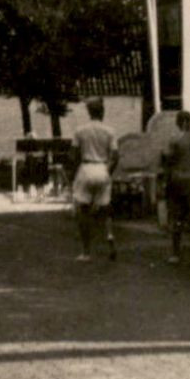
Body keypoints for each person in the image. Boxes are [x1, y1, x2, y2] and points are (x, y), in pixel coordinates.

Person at [70, 98, 118, 262]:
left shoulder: (80, 131)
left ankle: (86, 251)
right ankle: (110, 236)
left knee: (83, 210)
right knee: (105, 208)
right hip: (102, 168)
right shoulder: (109, 131)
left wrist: (77, 171)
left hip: (86, 167)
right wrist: (108, 171)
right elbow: (115, 156)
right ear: (102, 112)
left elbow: (74, 154)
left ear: (89, 112)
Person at [160, 111, 190, 267]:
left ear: (178, 122)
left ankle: (175, 253)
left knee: (177, 218)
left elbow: (168, 163)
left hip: (179, 180)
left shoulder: (174, 140)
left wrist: (164, 183)